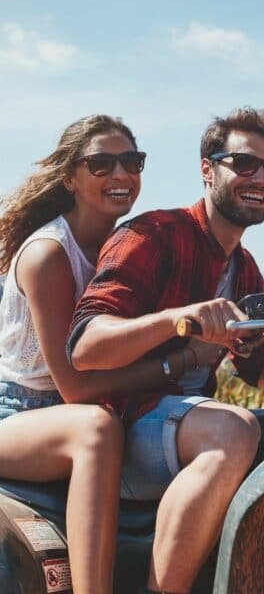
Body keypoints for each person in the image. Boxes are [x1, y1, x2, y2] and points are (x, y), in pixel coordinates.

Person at [67, 107, 264, 593]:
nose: (260, 178)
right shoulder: (151, 235)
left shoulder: (245, 269)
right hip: (128, 423)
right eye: (243, 163)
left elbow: (255, 368)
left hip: (180, 428)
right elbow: (86, 345)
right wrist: (183, 320)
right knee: (233, 429)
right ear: (207, 168)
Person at [0, 115, 207, 594]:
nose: (120, 174)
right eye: (101, 163)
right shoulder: (50, 255)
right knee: (94, 430)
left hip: (77, 411)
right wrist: (179, 362)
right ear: (70, 177)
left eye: (131, 161)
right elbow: (74, 387)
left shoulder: (125, 248)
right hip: (19, 415)